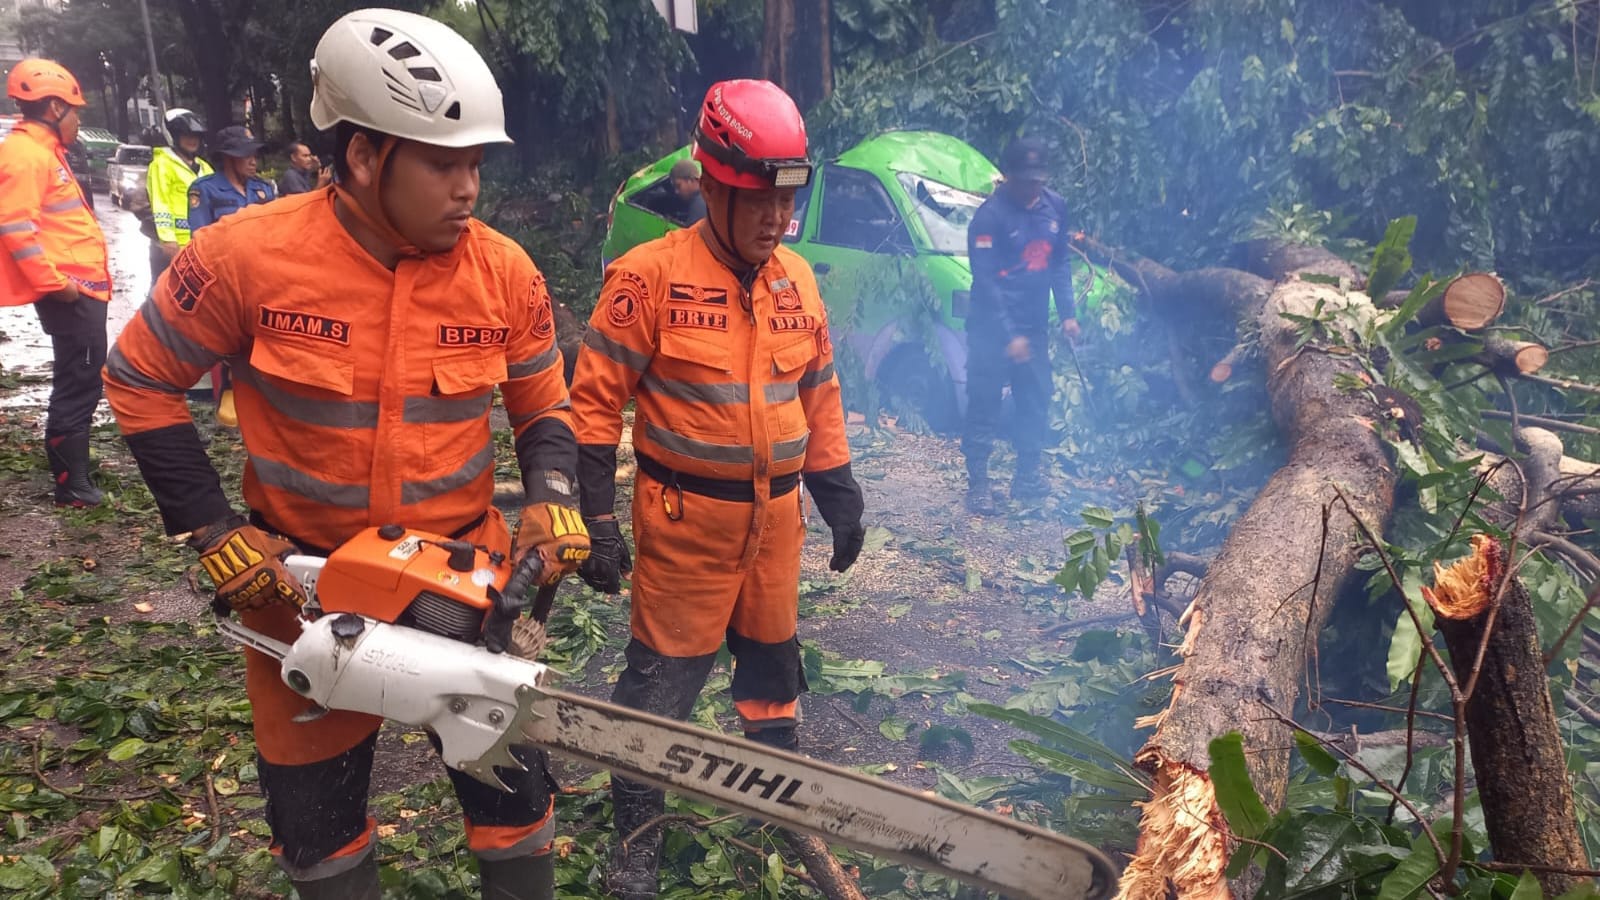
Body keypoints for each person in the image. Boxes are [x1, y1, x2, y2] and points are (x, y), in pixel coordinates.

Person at [103, 10, 586, 900]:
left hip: (462, 585)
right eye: (444, 163)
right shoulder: (244, 258)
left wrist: (554, 495)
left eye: (476, 163)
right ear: (364, 155)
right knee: (320, 839)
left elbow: (543, 402)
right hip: (298, 590)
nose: (468, 188)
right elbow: (137, 378)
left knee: (515, 811)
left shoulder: (504, 272)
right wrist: (213, 532)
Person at [570, 79, 866, 900]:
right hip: (684, 528)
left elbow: (821, 393)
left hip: (774, 532)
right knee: (658, 694)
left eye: (786, 200)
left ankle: (781, 818)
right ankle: (636, 848)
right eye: (756, 199)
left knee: (773, 681)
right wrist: (592, 511)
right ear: (710, 182)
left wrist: (838, 489)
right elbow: (591, 403)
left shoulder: (798, 280)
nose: (775, 219)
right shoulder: (647, 277)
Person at [0, 59, 112, 508]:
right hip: (73, 293)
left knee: (82, 376)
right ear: (51, 107)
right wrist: (58, 286)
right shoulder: (27, 155)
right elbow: (14, 228)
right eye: (74, 110)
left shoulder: (42, 152)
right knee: (79, 380)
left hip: (82, 288)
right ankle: (72, 485)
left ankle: (76, 473)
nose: (78, 120)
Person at [961, 136, 1080, 515]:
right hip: (989, 328)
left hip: (1034, 325)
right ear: (1008, 176)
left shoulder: (1055, 207)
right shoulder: (989, 217)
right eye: (1025, 179)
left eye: (1038, 179)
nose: (1033, 186)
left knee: (1036, 397)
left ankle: (1026, 476)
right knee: (984, 403)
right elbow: (986, 279)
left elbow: (1059, 262)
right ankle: (979, 483)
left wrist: (1068, 314)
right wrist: (1008, 335)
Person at [187, 124, 277, 427]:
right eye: (245, 155)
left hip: (263, 277)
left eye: (254, 155)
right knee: (228, 339)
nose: (253, 161)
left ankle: (262, 393)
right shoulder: (206, 189)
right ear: (227, 157)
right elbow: (201, 237)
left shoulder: (263, 189)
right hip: (225, 278)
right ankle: (227, 390)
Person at [145, 107, 211, 282]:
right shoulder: (162, 165)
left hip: (199, 245)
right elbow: (160, 203)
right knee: (163, 295)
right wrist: (168, 240)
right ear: (174, 136)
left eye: (195, 135)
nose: (192, 140)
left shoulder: (204, 167)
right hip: (171, 246)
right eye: (187, 135)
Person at [667, 157, 705, 224]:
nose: (676, 191)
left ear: (690, 180)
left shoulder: (698, 206)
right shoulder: (708, 192)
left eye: (678, 186)